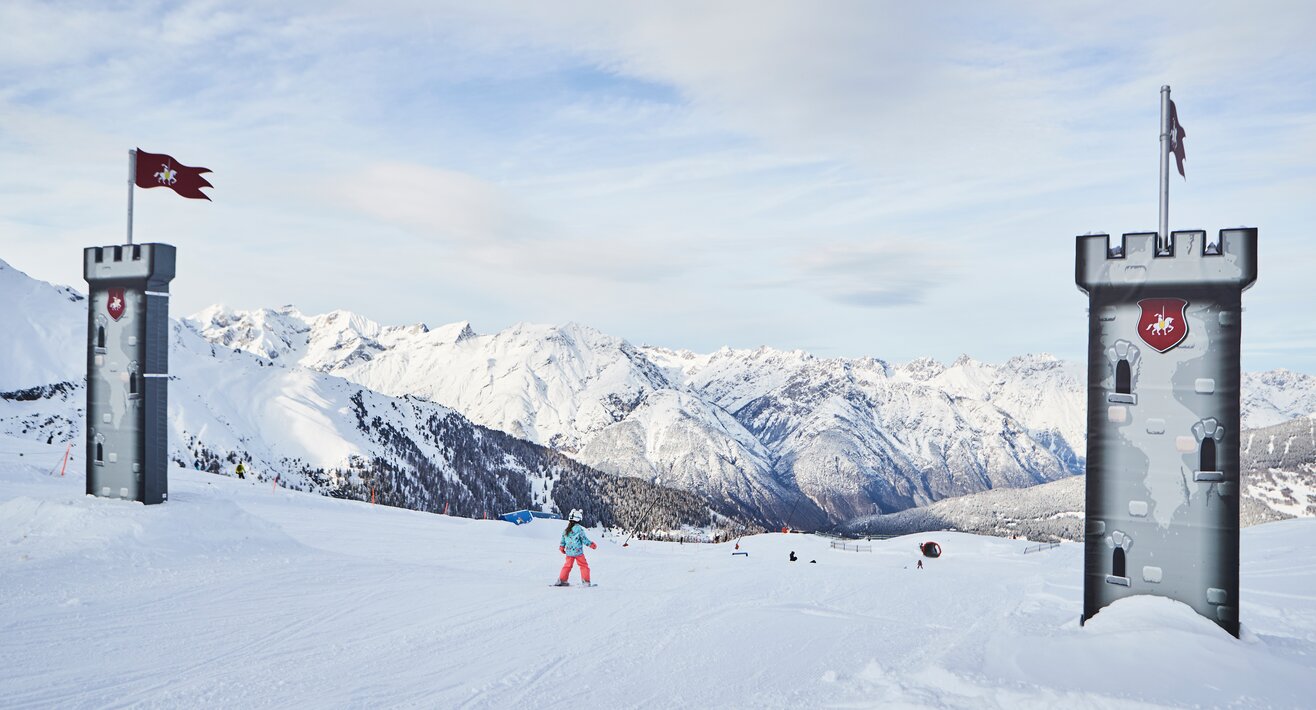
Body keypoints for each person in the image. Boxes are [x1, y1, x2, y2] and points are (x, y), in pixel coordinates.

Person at [555, 509, 597, 586]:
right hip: (578, 553)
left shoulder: (566, 529)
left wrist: (561, 547)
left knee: (567, 566)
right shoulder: (579, 529)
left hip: (569, 552)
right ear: (579, 519)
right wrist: (591, 544)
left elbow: (563, 539)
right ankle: (586, 581)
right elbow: (584, 539)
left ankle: (562, 580)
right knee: (583, 566)